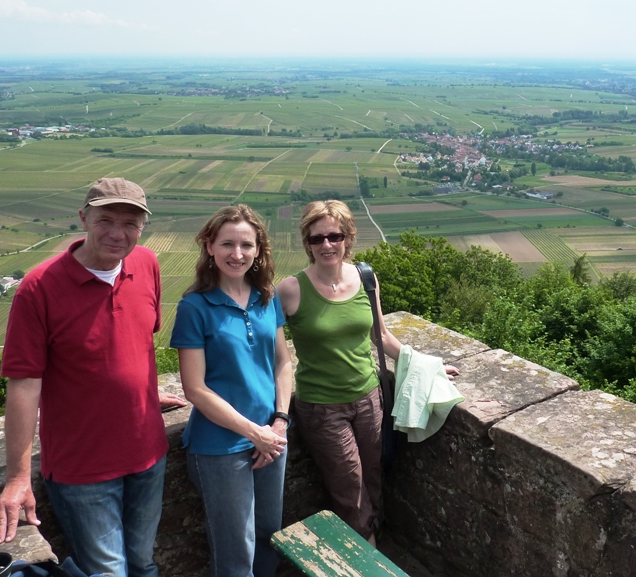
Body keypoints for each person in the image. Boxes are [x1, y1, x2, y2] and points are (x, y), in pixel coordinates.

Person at [0, 177, 185, 577]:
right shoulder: (39, 288)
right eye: (106, 220)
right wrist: (16, 478)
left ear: (143, 228)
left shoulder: (147, 264)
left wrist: (142, 396)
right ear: (83, 218)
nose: (118, 233)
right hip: (83, 469)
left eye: (131, 224)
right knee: (108, 574)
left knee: (145, 565)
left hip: (147, 453)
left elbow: (137, 346)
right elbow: (24, 385)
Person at [276, 200, 457, 544]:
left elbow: (382, 335)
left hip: (369, 397)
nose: (326, 245)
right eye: (317, 239)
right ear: (307, 243)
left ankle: (369, 547)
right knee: (350, 486)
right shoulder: (291, 290)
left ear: (347, 237)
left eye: (334, 235)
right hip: (322, 407)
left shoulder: (365, 278)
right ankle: (368, 556)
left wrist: (427, 368)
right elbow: (270, 349)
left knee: (373, 476)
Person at [170, 205, 292, 577]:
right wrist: (254, 432)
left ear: (258, 250)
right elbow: (195, 389)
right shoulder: (195, 306)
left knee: (270, 533)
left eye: (246, 245)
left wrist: (280, 422)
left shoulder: (266, 296)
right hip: (220, 446)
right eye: (227, 244)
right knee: (236, 547)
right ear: (209, 246)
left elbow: (284, 363)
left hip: (273, 436)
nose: (236, 254)